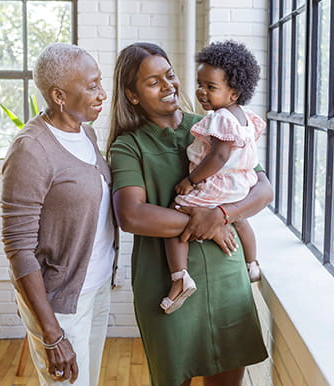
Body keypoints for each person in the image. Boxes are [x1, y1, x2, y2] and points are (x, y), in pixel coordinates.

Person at [107, 42, 272, 386]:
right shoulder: (128, 146)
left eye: (169, 75)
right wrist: (206, 224)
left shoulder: (214, 126)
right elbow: (132, 215)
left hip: (227, 280)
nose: (169, 86)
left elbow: (264, 190)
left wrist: (222, 213)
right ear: (132, 95)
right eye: (153, 82)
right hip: (169, 285)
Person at [1, 43, 117, 386]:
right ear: (59, 95)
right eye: (92, 85)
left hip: (95, 289)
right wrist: (51, 334)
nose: (103, 94)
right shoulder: (31, 150)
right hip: (60, 304)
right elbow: (18, 249)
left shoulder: (86, 133)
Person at [161, 40, 265, 314]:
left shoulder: (220, 118)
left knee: (176, 212)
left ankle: (179, 276)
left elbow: (217, 157)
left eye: (211, 87)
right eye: (200, 84)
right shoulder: (245, 117)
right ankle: (252, 264)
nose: (201, 92)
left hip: (218, 185)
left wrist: (191, 180)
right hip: (240, 185)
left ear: (233, 93)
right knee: (240, 221)